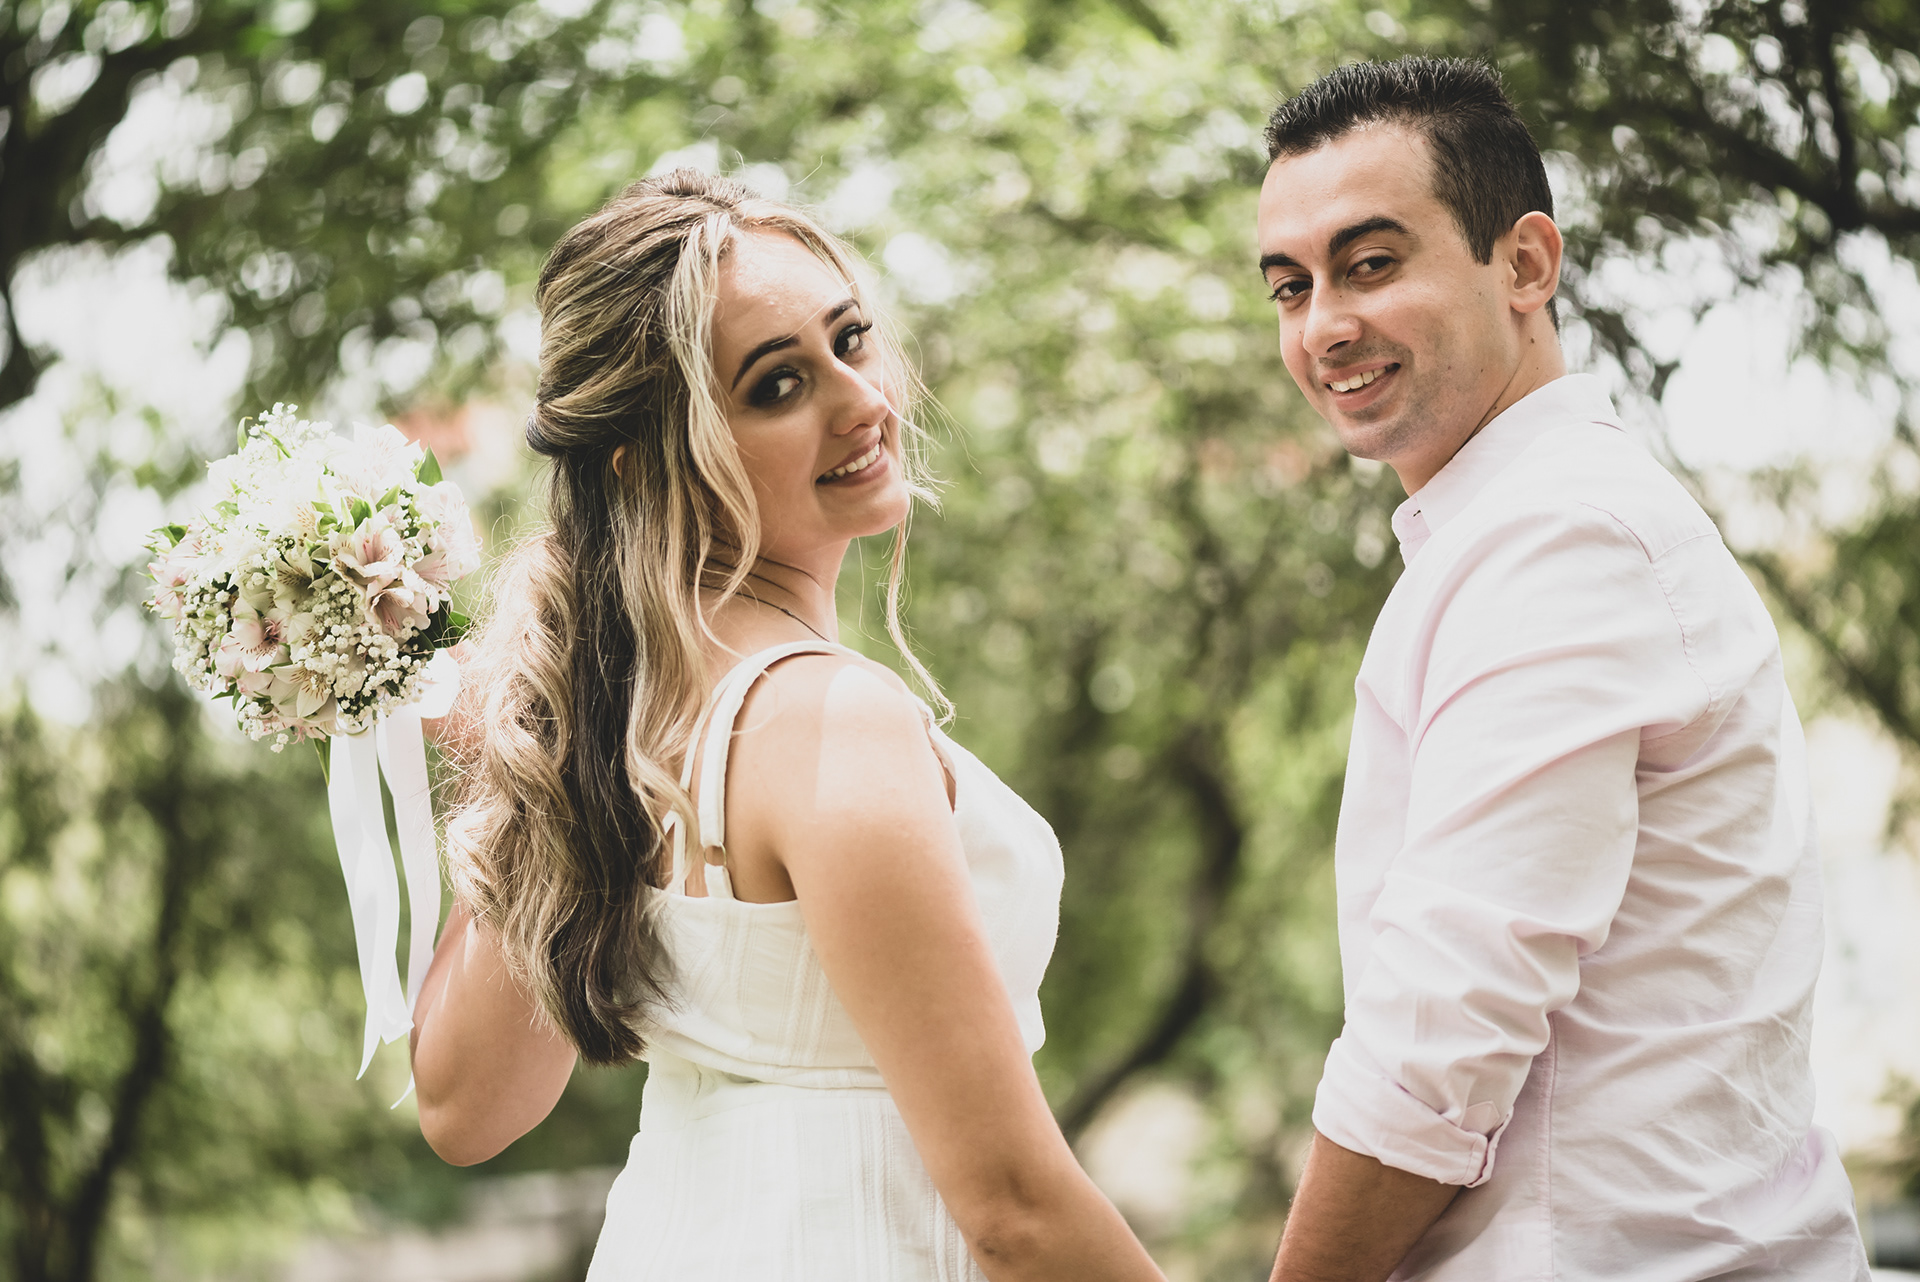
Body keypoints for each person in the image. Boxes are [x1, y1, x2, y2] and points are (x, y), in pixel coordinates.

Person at [407, 171, 1162, 1282]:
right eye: (777, 386)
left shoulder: (619, 728)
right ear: (645, 460)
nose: (861, 401)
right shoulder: (826, 720)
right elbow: (1013, 1211)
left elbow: (461, 1111)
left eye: (850, 339)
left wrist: (524, 747)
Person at [1252, 58, 1869, 1282]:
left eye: (1370, 263)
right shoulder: (1516, 530)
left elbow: (1437, 1042)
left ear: (1527, 263)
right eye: (1291, 286)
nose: (1323, 325)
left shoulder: (1558, 536)